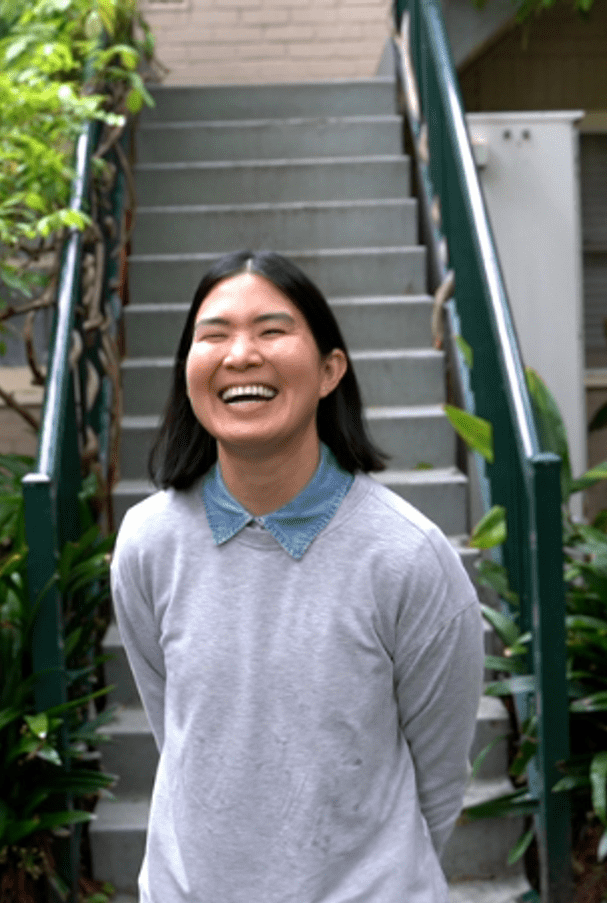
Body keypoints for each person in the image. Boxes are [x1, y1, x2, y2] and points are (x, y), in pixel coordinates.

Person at [111, 249, 485, 903]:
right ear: (189, 370)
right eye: (214, 333)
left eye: (272, 330)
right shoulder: (147, 543)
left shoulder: (407, 557)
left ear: (329, 369)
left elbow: (440, 774)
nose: (240, 354)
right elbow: (182, 727)